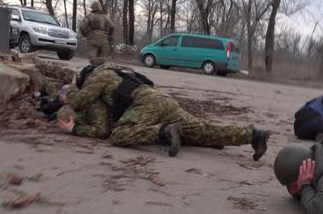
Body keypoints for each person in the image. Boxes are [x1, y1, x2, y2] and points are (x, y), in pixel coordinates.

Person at [57, 64, 270, 160]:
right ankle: (253, 135)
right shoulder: (116, 72)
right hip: (161, 100)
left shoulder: (98, 75)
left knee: (119, 135)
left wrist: (75, 124)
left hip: (145, 103)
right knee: (200, 130)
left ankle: (165, 131)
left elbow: (81, 101)